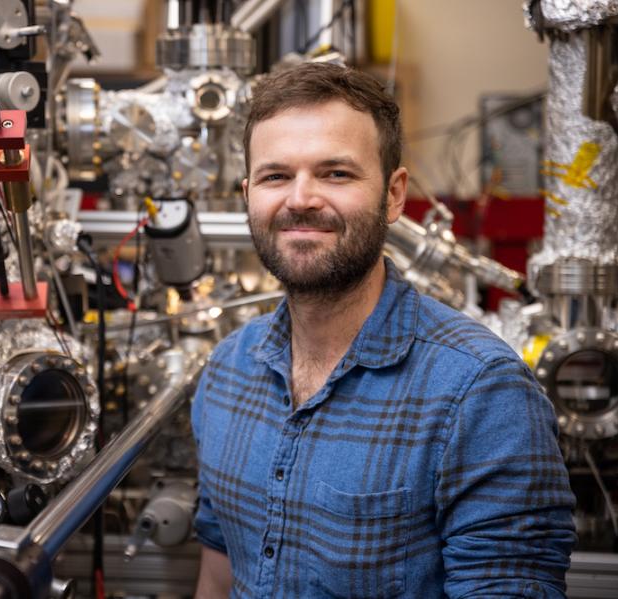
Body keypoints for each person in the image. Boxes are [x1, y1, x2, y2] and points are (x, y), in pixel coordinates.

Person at [191, 62, 576, 598]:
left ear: (394, 195)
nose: (300, 199)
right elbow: (220, 570)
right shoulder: (227, 372)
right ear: (247, 193)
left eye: (336, 173)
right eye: (276, 175)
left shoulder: (481, 391)